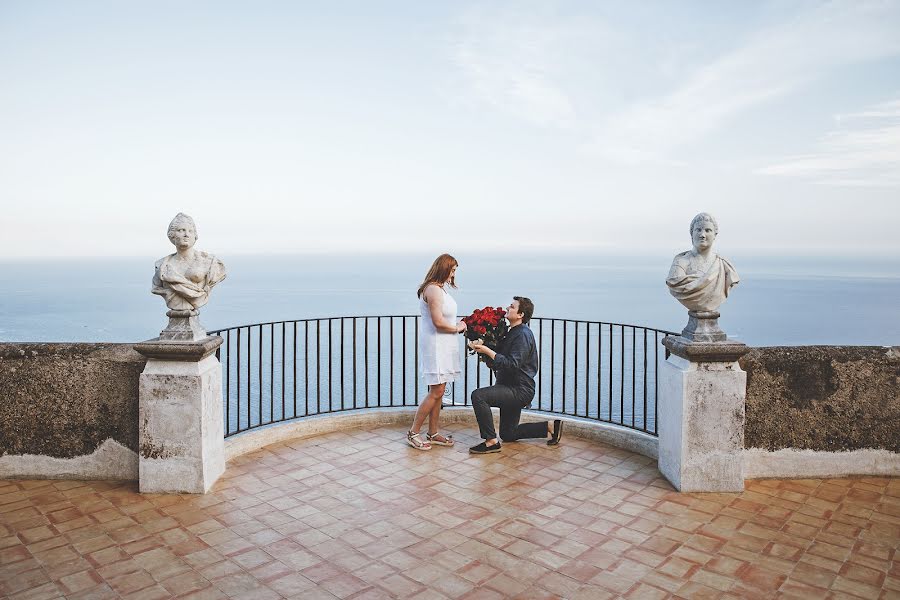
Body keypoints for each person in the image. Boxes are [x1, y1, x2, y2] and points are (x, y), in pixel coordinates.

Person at [467, 297, 562, 454]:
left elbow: (512, 364)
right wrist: (482, 347)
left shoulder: (523, 335)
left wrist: (487, 351)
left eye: (512, 306)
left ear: (520, 314)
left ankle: (491, 441)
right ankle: (550, 427)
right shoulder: (513, 332)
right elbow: (500, 359)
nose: (508, 308)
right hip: (510, 387)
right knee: (508, 434)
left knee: (478, 396)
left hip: (519, 390)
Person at [407, 254, 467, 450]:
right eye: (452, 269)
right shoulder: (433, 290)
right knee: (436, 390)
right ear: (444, 268)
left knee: (439, 391)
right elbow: (438, 322)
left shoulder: (440, 289)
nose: (453, 274)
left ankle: (432, 432)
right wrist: (458, 327)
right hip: (435, 346)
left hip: (444, 345)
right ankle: (413, 432)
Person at [666, 212, 740, 313]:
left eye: (707, 230)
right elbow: (674, 282)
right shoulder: (680, 263)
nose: (702, 235)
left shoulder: (724, 265)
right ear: (691, 233)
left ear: (715, 235)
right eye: (698, 230)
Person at [152, 213, 226, 311]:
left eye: (190, 231)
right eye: (181, 230)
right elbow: (157, 287)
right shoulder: (162, 266)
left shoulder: (210, 262)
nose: (186, 234)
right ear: (172, 235)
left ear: (195, 236)